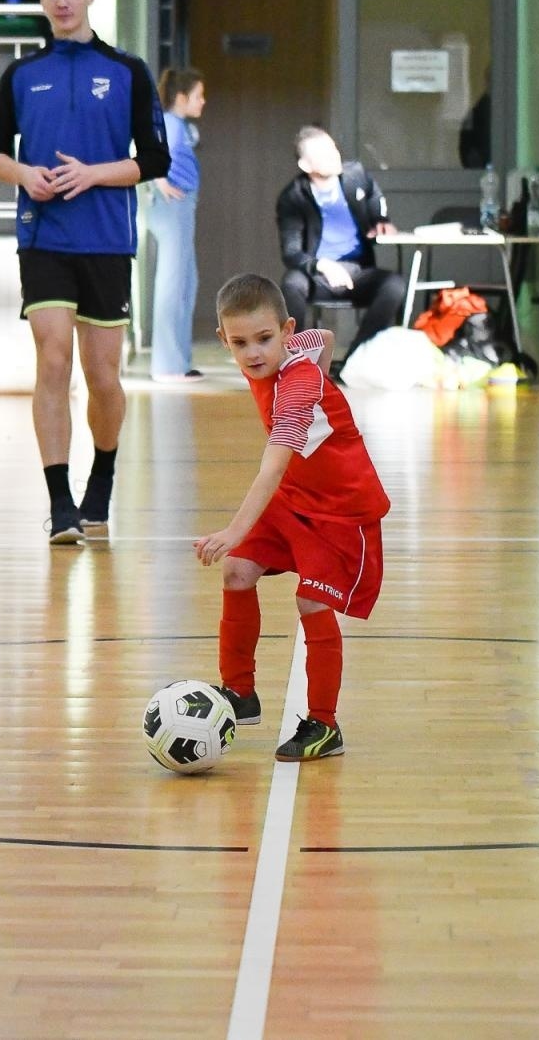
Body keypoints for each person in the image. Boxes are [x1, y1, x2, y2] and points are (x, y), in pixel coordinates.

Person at [0, 0, 170, 545]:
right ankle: (60, 503)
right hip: (43, 239)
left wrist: (93, 174)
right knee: (53, 360)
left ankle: (101, 481)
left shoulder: (128, 70)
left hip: (107, 240)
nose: (61, 1)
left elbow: (154, 159)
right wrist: (24, 174)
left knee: (102, 374)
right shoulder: (22, 75)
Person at [194, 273, 390, 762]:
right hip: (295, 496)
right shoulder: (283, 349)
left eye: (265, 339)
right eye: (240, 343)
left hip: (341, 510)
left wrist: (234, 529)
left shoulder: (298, 390)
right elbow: (322, 338)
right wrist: (319, 364)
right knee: (237, 571)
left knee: (310, 603)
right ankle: (239, 693)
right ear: (225, 339)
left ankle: (324, 725)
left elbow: (272, 464)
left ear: (284, 329)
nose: (254, 353)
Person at [275, 126, 405, 370]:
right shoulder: (293, 197)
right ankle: (297, 364)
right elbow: (291, 252)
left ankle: (353, 361)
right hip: (318, 273)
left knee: (394, 284)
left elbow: (374, 195)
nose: (333, 156)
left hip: (358, 271)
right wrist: (323, 265)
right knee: (291, 284)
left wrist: (380, 221)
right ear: (306, 165)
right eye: (322, 154)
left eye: (333, 149)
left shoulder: (355, 174)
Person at [146, 67, 205, 383]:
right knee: (173, 283)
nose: (202, 101)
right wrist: (159, 181)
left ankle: (178, 360)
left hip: (181, 206)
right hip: (173, 207)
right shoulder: (170, 124)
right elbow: (151, 151)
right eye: (198, 95)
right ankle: (168, 364)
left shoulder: (178, 125)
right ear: (181, 98)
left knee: (185, 281)